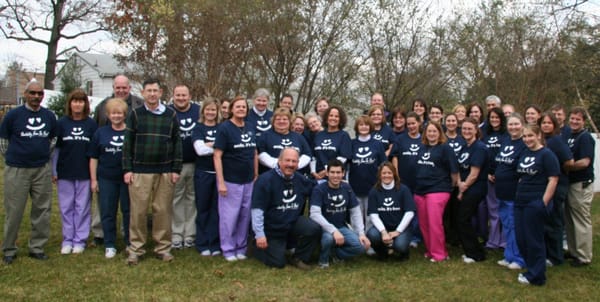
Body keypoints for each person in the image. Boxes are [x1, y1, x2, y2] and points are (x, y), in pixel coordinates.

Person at [123, 78, 182, 265]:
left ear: (161, 92)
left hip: (164, 170)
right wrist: (127, 169)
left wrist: (175, 169)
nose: (152, 94)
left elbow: (177, 142)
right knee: (138, 211)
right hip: (140, 171)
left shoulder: (170, 115)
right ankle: (136, 249)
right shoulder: (135, 114)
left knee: (162, 210)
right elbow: (127, 144)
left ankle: (163, 248)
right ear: (143, 93)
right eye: (148, 91)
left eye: (155, 90)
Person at [0, 81, 57, 264]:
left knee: (42, 209)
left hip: (41, 168)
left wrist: (42, 155)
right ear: (26, 94)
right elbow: (3, 140)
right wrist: (12, 158)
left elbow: (53, 138)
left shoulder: (49, 116)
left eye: (39, 94)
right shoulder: (13, 115)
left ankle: (37, 247)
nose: (36, 97)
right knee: (14, 210)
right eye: (32, 93)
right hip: (17, 169)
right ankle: (9, 249)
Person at [91, 74, 144, 246]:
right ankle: (104, 237)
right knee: (106, 207)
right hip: (107, 169)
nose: (121, 90)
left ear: (129, 88)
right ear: (113, 88)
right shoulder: (101, 107)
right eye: (117, 87)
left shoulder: (139, 105)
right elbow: (97, 137)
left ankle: (129, 238)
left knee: (129, 208)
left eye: (124, 87)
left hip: (129, 171)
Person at [251, 148, 321, 269]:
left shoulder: (300, 179)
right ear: (279, 161)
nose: (290, 164)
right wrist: (259, 234)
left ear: (298, 163)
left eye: (294, 161)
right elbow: (257, 210)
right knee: (278, 263)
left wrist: (337, 183)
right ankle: (256, 246)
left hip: (292, 223)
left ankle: (298, 257)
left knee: (314, 228)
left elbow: (316, 187)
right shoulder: (265, 180)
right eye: (287, 160)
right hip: (272, 229)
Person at [53, 88, 98, 254]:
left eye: (81, 101)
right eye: (74, 101)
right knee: (66, 207)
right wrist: (54, 170)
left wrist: (94, 175)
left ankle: (80, 240)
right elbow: (56, 149)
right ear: (70, 104)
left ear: (85, 104)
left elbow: (95, 152)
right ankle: (67, 239)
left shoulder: (91, 124)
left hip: (84, 173)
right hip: (65, 172)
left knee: (82, 207)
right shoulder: (62, 123)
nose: (77, 104)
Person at [214, 96, 258, 262]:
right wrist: (221, 182)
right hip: (231, 180)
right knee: (229, 217)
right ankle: (228, 248)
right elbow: (217, 155)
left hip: (248, 180)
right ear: (231, 109)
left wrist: (255, 173)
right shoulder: (225, 128)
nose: (241, 109)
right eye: (238, 107)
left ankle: (241, 247)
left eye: (244, 107)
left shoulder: (250, 127)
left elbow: (254, 151)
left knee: (244, 215)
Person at [514, 124, 559, 286]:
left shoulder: (547, 155)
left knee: (534, 240)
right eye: (525, 136)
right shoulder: (525, 152)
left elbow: (553, 179)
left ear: (539, 135)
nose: (527, 139)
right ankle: (531, 269)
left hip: (535, 202)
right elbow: (522, 175)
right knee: (522, 239)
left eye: (530, 136)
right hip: (520, 202)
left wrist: (543, 202)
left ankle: (537, 276)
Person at [89, 98, 130, 259]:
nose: (116, 116)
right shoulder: (101, 133)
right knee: (107, 212)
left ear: (124, 115)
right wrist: (94, 180)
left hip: (126, 179)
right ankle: (110, 244)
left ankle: (129, 242)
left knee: (128, 211)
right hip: (106, 178)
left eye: (119, 113)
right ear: (108, 115)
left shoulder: (130, 132)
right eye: (113, 113)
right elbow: (93, 157)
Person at [310, 159, 371, 268]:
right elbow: (314, 214)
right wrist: (333, 231)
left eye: (338, 172)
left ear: (343, 174)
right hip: (323, 229)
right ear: (327, 173)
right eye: (332, 172)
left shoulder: (347, 188)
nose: (335, 176)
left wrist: (361, 233)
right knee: (328, 239)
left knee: (362, 247)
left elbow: (355, 211)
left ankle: (335, 254)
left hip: (341, 227)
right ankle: (323, 261)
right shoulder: (319, 190)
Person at [414, 122, 459, 262]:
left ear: (440, 133)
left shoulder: (445, 148)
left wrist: (451, 186)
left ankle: (440, 254)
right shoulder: (422, 148)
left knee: (434, 223)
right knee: (424, 223)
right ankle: (430, 250)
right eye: (429, 131)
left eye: (434, 131)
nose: (431, 134)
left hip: (438, 189)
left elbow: (454, 171)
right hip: (420, 190)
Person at [539, 112, 574, 266]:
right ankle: (547, 253)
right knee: (545, 221)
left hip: (557, 185)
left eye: (549, 123)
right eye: (543, 123)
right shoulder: (542, 140)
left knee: (554, 222)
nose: (546, 125)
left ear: (554, 125)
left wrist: (558, 172)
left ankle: (556, 256)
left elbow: (569, 161)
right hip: (543, 185)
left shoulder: (556, 141)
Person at [169, 84, 200, 249]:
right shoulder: (168, 112)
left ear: (189, 96)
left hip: (195, 163)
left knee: (192, 199)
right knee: (176, 200)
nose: (181, 98)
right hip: (175, 165)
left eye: (184, 95)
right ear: (173, 95)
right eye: (178, 95)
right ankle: (176, 234)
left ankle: (190, 235)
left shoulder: (198, 111)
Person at [494, 113, 527, 270]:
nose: (513, 127)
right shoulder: (506, 141)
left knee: (515, 226)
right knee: (506, 225)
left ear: (522, 124)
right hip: (501, 191)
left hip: (514, 193)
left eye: (516, 124)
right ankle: (509, 255)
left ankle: (519, 258)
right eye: (510, 124)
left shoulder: (524, 143)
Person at [565, 106, 595, 267]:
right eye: (573, 118)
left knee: (581, 218)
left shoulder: (585, 138)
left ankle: (584, 256)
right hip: (570, 182)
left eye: (578, 119)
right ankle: (573, 250)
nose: (574, 121)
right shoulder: (569, 134)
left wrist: (567, 166)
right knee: (569, 218)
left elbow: (585, 162)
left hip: (580, 183)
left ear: (583, 121)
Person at [455, 117, 488, 263]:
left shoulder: (479, 148)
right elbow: (459, 168)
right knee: (463, 219)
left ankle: (475, 254)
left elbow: (474, 173)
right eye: (464, 129)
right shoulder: (465, 146)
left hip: (475, 188)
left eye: (469, 129)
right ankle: (472, 251)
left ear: (476, 130)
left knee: (463, 219)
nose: (466, 131)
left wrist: (462, 188)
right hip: (464, 186)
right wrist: (459, 183)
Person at [366, 162, 415, 260]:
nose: (386, 175)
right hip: (383, 227)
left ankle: (403, 252)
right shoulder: (374, 191)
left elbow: (410, 213)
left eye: (389, 173)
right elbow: (373, 215)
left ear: (394, 174)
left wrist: (398, 231)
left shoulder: (403, 189)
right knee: (372, 234)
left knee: (400, 246)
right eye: (384, 173)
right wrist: (383, 232)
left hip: (401, 228)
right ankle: (383, 252)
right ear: (380, 175)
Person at [349, 115, 387, 241]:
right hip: (355, 185)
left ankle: (370, 241)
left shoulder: (377, 144)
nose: (364, 127)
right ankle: (358, 239)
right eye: (361, 124)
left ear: (370, 126)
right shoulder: (352, 143)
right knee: (356, 215)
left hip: (373, 185)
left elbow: (383, 165)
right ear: (357, 127)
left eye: (366, 124)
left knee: (371, 215)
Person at [192, 98, 221, 256]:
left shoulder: (222, 127)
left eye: (213, 110)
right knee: (203, 208)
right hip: (203, 174)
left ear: (217, 112)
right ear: (203, 111)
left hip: (220, 175)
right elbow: (200, 150)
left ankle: (215, 243)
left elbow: (226, 148)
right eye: (208, 110)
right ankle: (202, 243)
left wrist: (209, 143)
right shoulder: (198, 128)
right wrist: (215, 146)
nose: (210, 113)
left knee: (216, 210)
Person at [256, 108, 312, 174]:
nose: (281, 121)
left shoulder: (299, 137)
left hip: (294, 175)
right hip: (271, 175)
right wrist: (279, 164)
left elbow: (307, 154)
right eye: (278, 119)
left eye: (285, 119)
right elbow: (260, 153)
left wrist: (294, 165)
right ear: (273, 121)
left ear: (290, 121)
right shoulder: (265, 136)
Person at [482, 107, 507, 249]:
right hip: (489, 176)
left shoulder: (507, 135)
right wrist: (487, 173)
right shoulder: (485, 134)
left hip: (503, 176)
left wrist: (499, 173)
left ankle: (504, 241)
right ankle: (493, 240)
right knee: (493, 210)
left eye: (497, 117)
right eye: (492, 117)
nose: (494, 120)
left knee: (504, 210)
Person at [311, 106, 352, 181]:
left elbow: (343, 157)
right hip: (318, 178)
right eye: (331, 115)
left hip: (335, 178)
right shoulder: (318, 135)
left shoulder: (344, 135)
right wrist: (313, 172)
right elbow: (313, 156)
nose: (333, 118)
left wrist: (326, 170)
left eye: (336, 116)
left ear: (340, 119)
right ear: (326, 118)